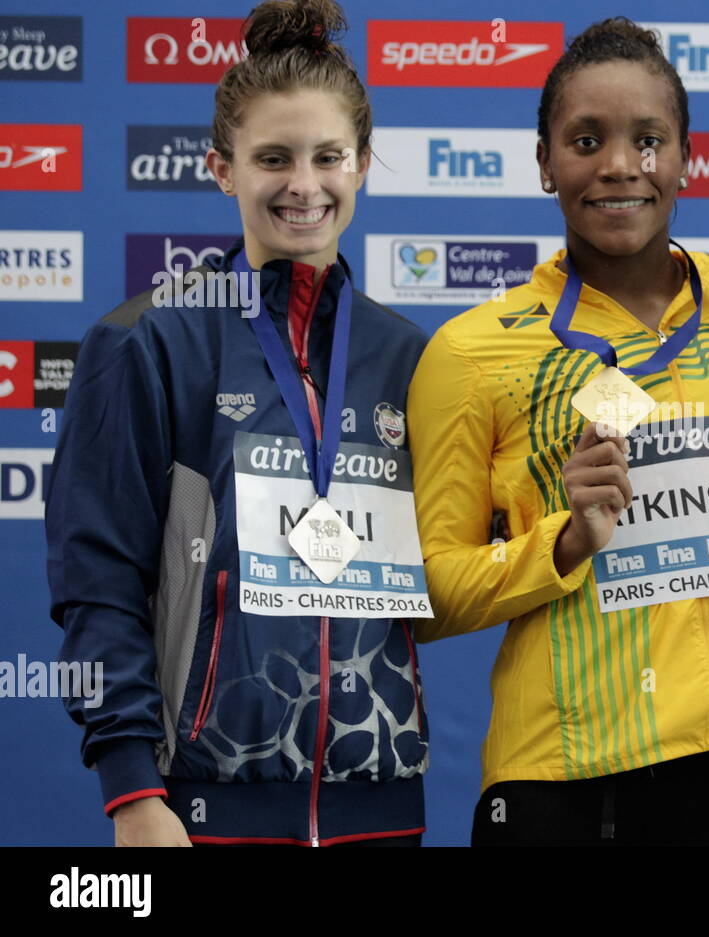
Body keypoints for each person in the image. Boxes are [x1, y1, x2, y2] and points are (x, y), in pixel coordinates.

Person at [408, 17, 709, 846]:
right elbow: (426, 592)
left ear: (686, 157)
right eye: (586, 140)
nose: (620, 165)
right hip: (561, 784)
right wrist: (561, 545)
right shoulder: (474, 351)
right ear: (545, 160)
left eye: (648, 140)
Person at [46, 0, 431, 847]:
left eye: (329, 156)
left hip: (383, 812)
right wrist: (132, 792)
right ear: (222, 168)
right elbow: (96, 579)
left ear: (364, 163)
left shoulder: (406, 356)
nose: (304, 184)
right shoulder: (146, 341)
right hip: (204, 813)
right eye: (273, 158)